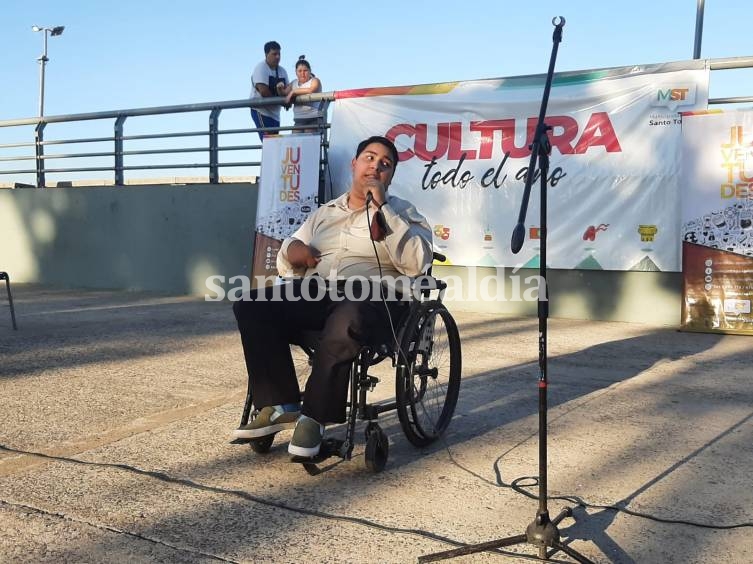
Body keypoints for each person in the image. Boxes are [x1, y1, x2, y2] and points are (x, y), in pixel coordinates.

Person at [232, 136, 432, 458]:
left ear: (390, 176)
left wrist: (383, 209)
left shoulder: (404, 213)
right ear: (354, 165)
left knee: (347, 316)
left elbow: (417, 262)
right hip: (319, 291)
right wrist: (295, 250)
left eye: (385, 163)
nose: (376, 166)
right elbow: (287, 255)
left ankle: (315, 417)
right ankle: (279, 402)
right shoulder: (325, 213)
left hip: (375, 299)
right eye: (369, 157)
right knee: (251, 305)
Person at [250, 41, 289, 140]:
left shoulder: (282, 71)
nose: (277, 57)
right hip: (261, 111)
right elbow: (264, 92)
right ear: (266, 54)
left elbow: (288, 90)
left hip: (275, 114)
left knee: (275, 143)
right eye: (274, 54)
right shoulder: (261, 68)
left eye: (279, 54)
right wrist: (283, 101)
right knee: (269, 142)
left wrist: (287, 98)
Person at [284, 55, 323, 131]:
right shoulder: (293, 83)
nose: (302, 73)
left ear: (310, 71)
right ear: (296, 72)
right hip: (298, 120)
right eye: (300, 71)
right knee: (296, 142)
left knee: (309, 139)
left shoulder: (315, 80)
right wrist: (279, 87)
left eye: (305, 70)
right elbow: (284, 93)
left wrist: (293, 92)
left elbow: (311, 90)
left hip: (313, 118)